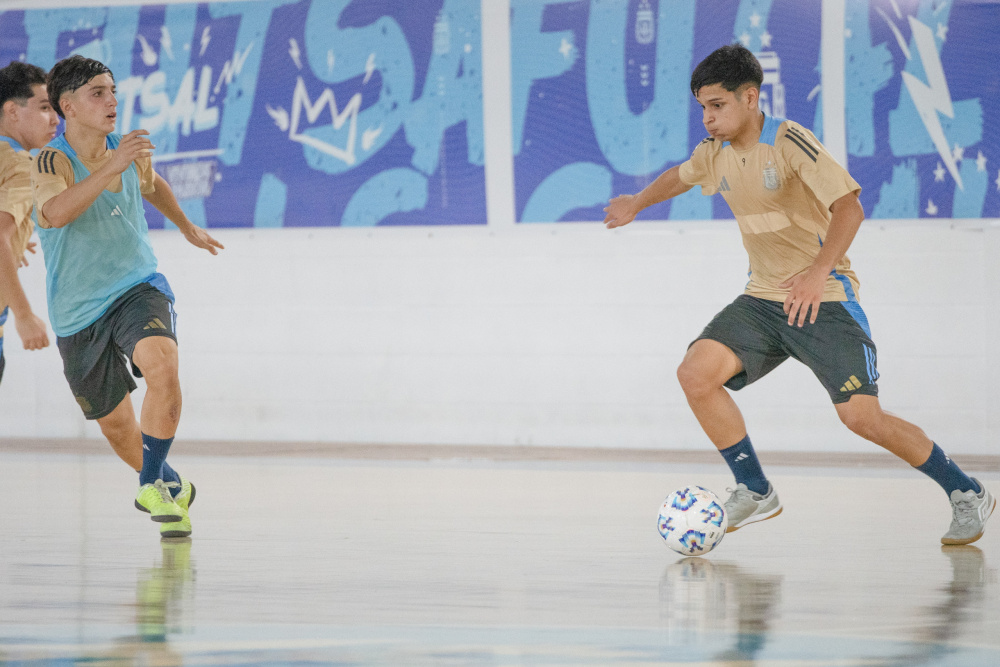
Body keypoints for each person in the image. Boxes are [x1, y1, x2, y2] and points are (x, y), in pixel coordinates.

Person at [602, 44, 994, 546]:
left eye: (717, 105)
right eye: (702, 106)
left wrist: (816, 272)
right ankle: (754, 488)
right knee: (695, 373)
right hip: (763, 299)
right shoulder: (712, 153)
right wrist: (636, 201)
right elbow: (680, 177)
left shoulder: (790, 142)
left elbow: (849, 209)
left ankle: (966, 492)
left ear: (750, 97)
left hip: (824, 297)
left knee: (861, 418)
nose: (708, 117)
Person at [31, 55, 224, 539]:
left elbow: (150, 183)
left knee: (163, 366)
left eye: (113, 90)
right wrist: (111, 165)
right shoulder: (50, 160)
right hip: (77, 311)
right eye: (98, 93)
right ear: (68, 106)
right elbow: (54, 213)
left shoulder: (130, 149)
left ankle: (148, 484)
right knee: (118, 428)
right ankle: (168, 484)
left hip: (137, 286)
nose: (112, 100)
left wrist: (186, 226)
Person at [0, 61, 57, 385]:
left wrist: (15, 240)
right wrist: (24, 315)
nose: (55, 119)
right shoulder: (22, 164)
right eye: (44, 107)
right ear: (12, 110)